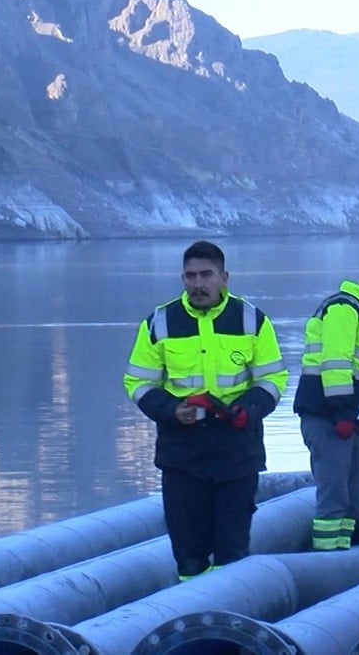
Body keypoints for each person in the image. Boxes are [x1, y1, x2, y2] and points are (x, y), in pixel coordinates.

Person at [123, 240, 288, 580]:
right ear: (182, 278)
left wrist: (248, 409)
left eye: (206, 275)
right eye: (190, 276)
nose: (198, 284)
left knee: (232, 553)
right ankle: (192, 616)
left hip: (237, 450)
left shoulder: (252, 319)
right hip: (183, 455)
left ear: (224, 277)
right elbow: (137, 384)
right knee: (189, 556)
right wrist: (171, 410)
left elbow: (273, 379)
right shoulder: (159, 322)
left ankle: (231, 616)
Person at [294, 260, 359, 551]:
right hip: (328, 417)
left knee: (352, 496)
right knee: (334, 496)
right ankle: (326, 560)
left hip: (351, 419)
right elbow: (336, 363)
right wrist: (342, 412)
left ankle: (342, 551)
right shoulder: (345, 308)